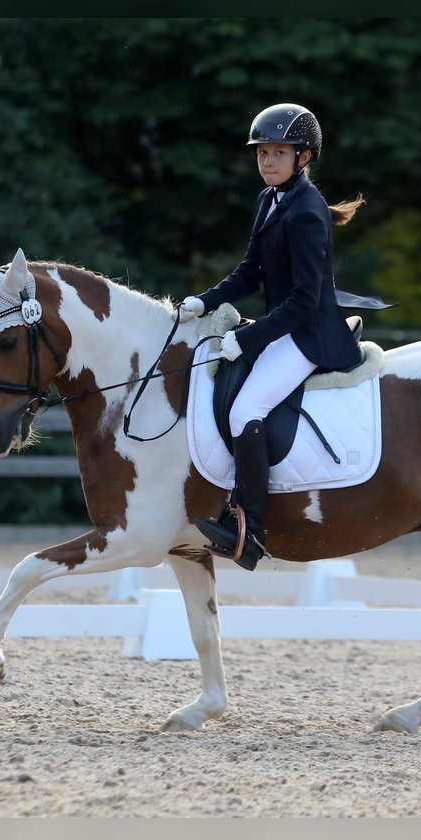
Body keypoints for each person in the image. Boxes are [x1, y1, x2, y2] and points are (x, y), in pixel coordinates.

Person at [177, 103, 365, 570]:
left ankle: (251, 529)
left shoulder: (306, 211)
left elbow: (304, 299)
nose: (268, 161)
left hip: (309, 333)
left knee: (246, 409)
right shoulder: (269, 200)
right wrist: (205, 300)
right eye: (262, 152)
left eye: (279, 152)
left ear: (304, 157)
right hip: (285, 325)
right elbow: (250, 272)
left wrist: (253, 337)